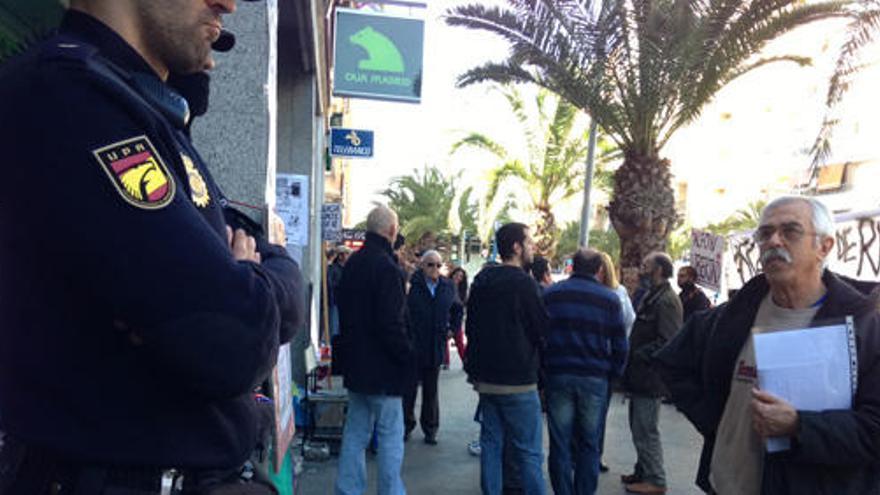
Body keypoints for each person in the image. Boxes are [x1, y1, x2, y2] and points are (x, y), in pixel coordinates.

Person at [0, 1, 305, 494]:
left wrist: (252, 278)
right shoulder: (69, 95)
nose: (228, 4)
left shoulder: (141, 110)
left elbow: (275, 276)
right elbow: (234, 338)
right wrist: (244, 285)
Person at [655, 196, 880, 494]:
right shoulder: (733, 315)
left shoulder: (864, 326)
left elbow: (873, 430)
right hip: (722, 486)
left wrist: (799, 426)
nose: (774, 241)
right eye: (765, 233)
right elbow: (671, 362)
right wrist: (715, 421)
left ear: (824, 247)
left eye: (790, 231)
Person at [334, 205, 414, 495]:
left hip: (356, 366)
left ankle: (348, 489)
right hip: (385, 369)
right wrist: (407, 356)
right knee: (390, 435)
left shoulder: (352, 264)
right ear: (391, 231)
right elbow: (391, 322)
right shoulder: (387, 268)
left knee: (355, 432)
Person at [465, 222, 549, 495]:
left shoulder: (481, 281)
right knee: (529, 452)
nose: (532, 247)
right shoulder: (525, 284)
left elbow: (471, 328)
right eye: (529, 242)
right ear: (516, 247)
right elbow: (540, 330)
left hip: (487, 381)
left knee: (491, 446)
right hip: (519, 381)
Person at [542, 248, 628, 495]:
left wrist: (544, 370)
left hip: (559, 374)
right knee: (589, 444)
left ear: (572, 266)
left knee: (559, 443)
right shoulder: (609, 299)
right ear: (599, 269)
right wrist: (614, 373)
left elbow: (540, 335)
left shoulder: (553, 294)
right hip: (594, 377)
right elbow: (620, 343)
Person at [621, 252, 683, 494]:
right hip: (641, 376)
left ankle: (656, 480)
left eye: (646, 266)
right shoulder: (653, 296)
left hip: (650, 377)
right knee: (639, 427)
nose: (641, 270)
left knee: (646, 430)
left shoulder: (667, 300)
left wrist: (640, 354)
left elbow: (669, 340)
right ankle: (643, 471)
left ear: (658, 270)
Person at [404, 250, 460, 445]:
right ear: (422, 266)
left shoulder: (447, 286)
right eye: (430, 264)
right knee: (409, 389)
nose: (434, 269)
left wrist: (452, 329)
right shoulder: (412, 286)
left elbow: (457, 309)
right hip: (414, 345)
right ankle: (406, 425)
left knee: (431, 390)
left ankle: (430, 429)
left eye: (438, 265)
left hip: (435, 345)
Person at [596, 251, 636, 473]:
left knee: (599, 413)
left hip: (604, 361)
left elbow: (629, 322)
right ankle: (592, 455)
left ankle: (593, 454)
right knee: (597, 412)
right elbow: (629, 322)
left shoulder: (617, 292)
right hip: (605, 361)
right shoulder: (618, 292)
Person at [445, 266, 469, 367]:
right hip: (446, 317)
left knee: (459, 341)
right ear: (452, 274)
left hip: (457, 318)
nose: (458, 278)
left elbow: (462, 307)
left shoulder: (462, 290)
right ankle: (445, 361)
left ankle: (465, 361)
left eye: (461, 276)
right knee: (444, 341)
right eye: (456, 275)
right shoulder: (445, 286)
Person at [327, 245, 352, 337]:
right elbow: (330, 284)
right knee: (334, 328)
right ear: (340, 256)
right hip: (335, 302)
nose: (349, 256)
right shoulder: (333, 269)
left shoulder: (349, 269)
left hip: (346, 303)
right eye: (347, 254)